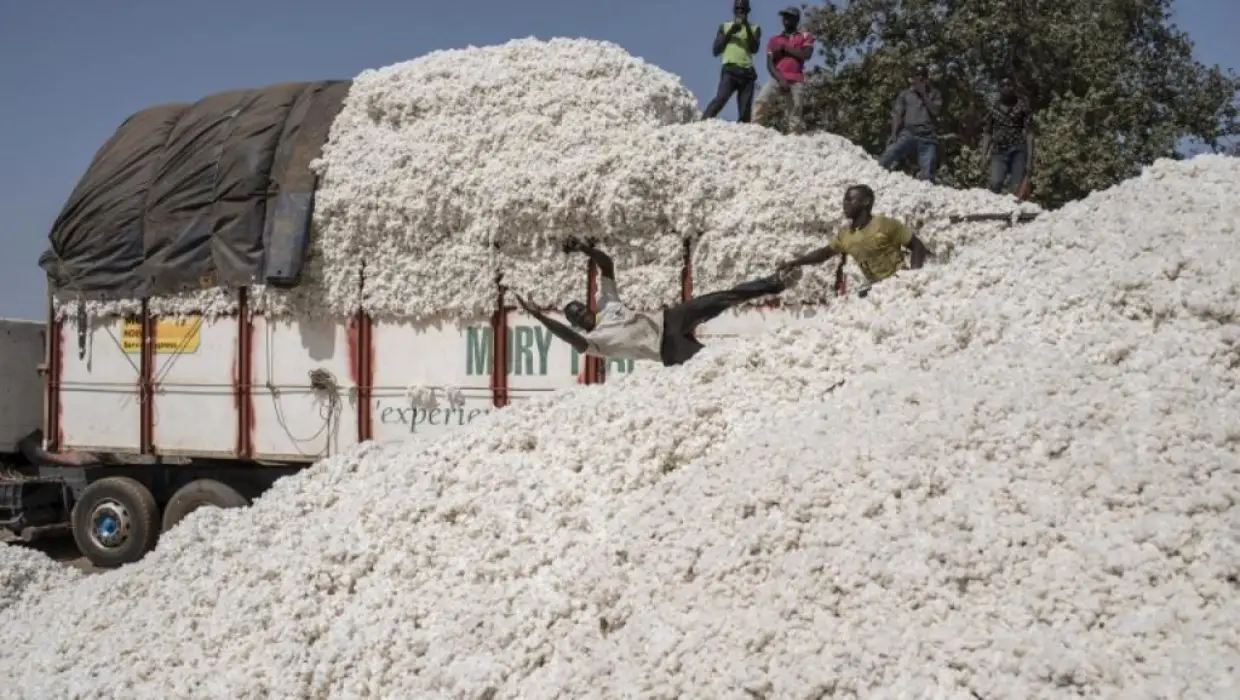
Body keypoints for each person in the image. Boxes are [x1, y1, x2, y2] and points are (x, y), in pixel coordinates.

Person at [511, 236, 802, 366]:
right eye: (577, 316)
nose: (583, 313)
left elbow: (607, 266)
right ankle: (770, 366)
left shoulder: (607, 305)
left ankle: (776, 282)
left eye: (581, 307)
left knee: (721, 298)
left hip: (669, 319)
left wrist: (586, 249)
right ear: (576, 324)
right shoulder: (595, 343)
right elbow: (569, 339)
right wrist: (539, 317)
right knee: (718, 362)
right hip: (667, 349)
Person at [778, 185, 931, 297]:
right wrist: (795, 262)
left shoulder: (884, 224)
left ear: (865, 202)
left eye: (850, 200)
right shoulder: (846, 236)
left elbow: (917, 246)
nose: (844, 204)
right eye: (844, 200)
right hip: (878, 290)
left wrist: (913, 277)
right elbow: (824, 253)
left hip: (899, 284)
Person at [752, 7, 815, 134]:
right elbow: (770, 64)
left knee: (795, 110)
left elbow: (806, 55)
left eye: (789, 16)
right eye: (784, 16)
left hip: (796, 78)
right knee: (762, 101)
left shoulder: (805, 36)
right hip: (777, 76)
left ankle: (794, 137)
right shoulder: (774, 39)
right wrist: (781, 79)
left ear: (797, 19)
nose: (786, 19)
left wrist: (785, 49)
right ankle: (753, 129)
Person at [878, 65, 943, 182]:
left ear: (927, 78)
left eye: (923, 78)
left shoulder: (935, 93)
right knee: (887, 156)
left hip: (927, 136)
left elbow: (935, 111)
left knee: (927, 173)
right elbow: (897, 114)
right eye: (917, 78)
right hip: (908, 133)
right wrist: (893, 134)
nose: (920, 81)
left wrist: (924, 94)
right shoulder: (905, 94)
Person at [702, 0, 762, 123]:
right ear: (734, 10)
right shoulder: (725, 26)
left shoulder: (754, 28)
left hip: (747, 72)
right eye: (738, 9)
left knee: (745, 110)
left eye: (743, 9)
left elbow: (754, 48)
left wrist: (746, 27)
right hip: (730, 70)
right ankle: (700, 124)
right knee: (720, 99)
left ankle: (744, 136)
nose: (740, 12)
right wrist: (730, 32)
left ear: (748, 11)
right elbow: (716, 50)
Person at [981, 76, 1035, 196]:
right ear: (999, 89)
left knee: (1017, 188)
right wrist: (984, 155)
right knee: (994, 184)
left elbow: (1029, 133)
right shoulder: (993, 108)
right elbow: (988, 132)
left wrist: (1030, 159)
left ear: (1014, 87)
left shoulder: (1022, 106)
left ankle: (1015, 213)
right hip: (999, 151)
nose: (1006, 88)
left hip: (1018, 150)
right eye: (1003, 86)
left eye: (1009, 85)